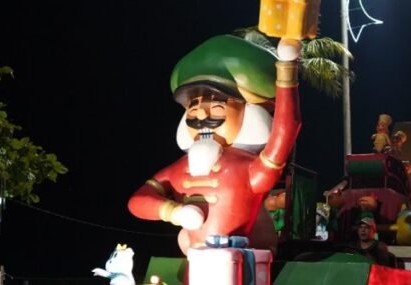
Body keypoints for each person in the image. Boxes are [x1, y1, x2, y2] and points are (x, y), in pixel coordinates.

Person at [127, 31, 302, 254]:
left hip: (241, 257)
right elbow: (138, 200)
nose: (201, 118)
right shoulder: (180, 168)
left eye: (217, 109)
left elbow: (286, 129)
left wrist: (287, 71)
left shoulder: (249, 170)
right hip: (195, 257)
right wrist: (172, 212)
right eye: (194, 110)